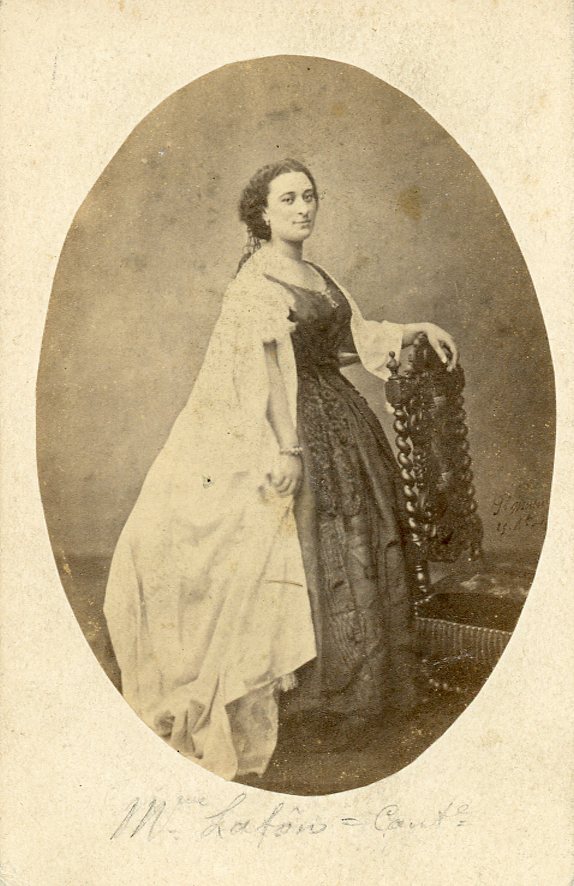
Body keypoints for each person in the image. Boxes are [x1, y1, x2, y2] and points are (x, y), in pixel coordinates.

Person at [104, 158, 458, 781]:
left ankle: (371, 687)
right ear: (262, 214)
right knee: (309, 548)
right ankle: (314, 705)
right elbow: (267, 372)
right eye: (288, 199)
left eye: (309, 196)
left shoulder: (317, 274)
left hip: (341, 417)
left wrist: (414, 328)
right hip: (291, 423)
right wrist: (287, 450)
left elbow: (349, 339)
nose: (302, 208)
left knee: (361, 540)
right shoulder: (254, 283)